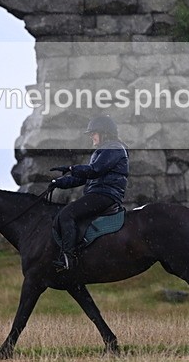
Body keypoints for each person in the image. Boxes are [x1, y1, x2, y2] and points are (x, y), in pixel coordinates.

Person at [49, 115, 129, 271]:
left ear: (104, 133)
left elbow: (94, 171)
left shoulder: (114, 148)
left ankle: (69, 259)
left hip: (106, 195)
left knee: (67, 215)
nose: (91, 136)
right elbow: (83, 178)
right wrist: (58, 183)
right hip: (99, 194)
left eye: (93, 133)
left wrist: (72, 168)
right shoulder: (101, 152)